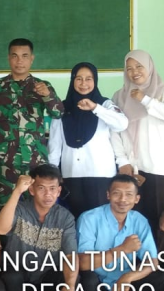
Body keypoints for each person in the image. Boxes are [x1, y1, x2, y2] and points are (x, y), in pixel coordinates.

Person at [0, 165, 85, 291]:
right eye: (42, 188)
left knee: (73, 279)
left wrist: (70, 287)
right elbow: (1, 229)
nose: (48, 194)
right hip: (17, 275)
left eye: (52, 189)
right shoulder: (19, 209)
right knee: (11, 276)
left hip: (45, 276)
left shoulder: (64, 217)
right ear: (32, 189)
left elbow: (70, 256)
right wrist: (17, 192)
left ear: (59, 191)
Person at [111, 50, 164, 238]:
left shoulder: (163, 93)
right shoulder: (119, 97)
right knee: (130, 219)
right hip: (131, 168)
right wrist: (122, 161)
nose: (134, 72)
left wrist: (145, 100)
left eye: (139, 66)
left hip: (157, 167)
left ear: (149, 67)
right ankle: (132, 255)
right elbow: (114, 131)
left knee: (158, 221)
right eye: (129, 68)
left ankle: (157, 256)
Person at [0, 38, 63, 209]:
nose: (19, 61)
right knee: (5, 207)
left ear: (31, 59)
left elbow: (58, 112)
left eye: (24, 56)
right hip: (5, 161)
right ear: (8, 58)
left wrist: (47, 96)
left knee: (36, 207)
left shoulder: (42, 86)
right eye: (15, 56)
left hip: (35, 160)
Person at [49, 62, 128, 218]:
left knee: (100, 220)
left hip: (101, 175)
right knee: (77, 220)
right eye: (79, 78)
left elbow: (122, 123)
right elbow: (55, 144)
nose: (83, 83)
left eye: (88, 79)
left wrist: (95, 108)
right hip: (71, 174)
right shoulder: (62, 107)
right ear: (73, 80)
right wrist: (53, 173)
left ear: (95, 80)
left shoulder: (104, 104)